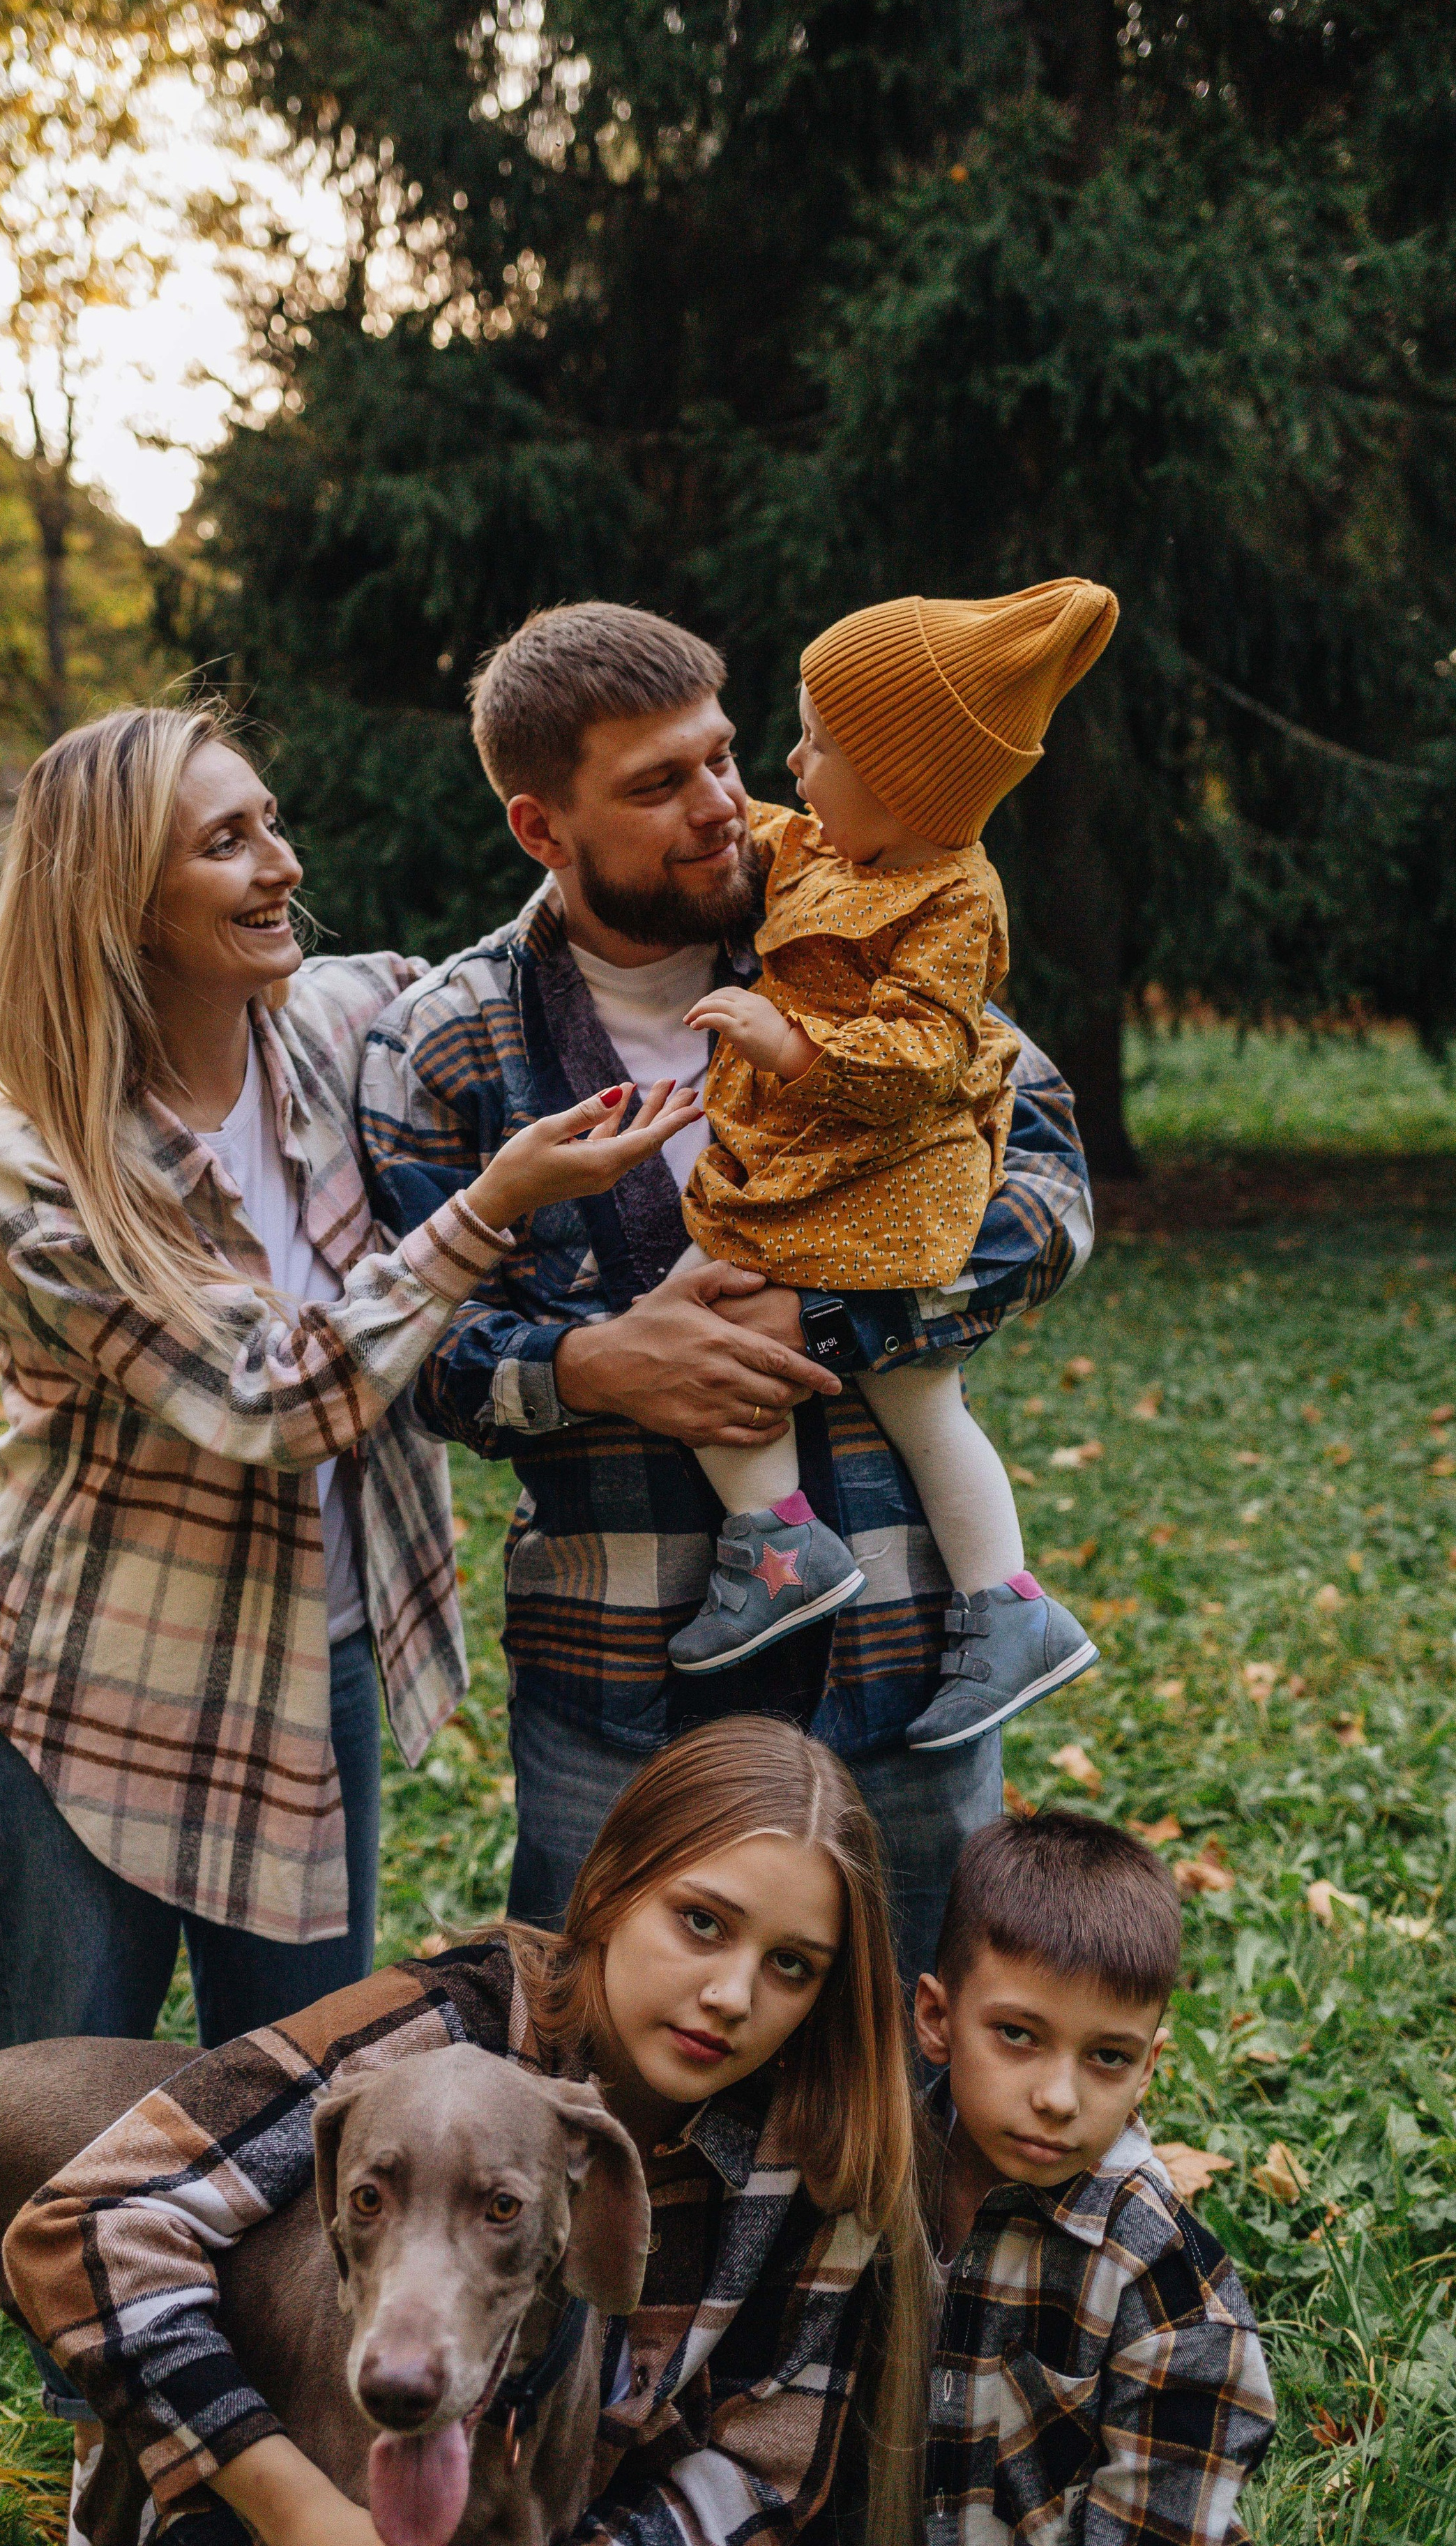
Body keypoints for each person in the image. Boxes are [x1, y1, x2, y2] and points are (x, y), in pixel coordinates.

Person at [0, 702, 698, 2454]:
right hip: (92, 1694)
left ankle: (288, 2452)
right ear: (114, 898)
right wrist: (484, 1208)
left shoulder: (340, 1021)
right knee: (77, 2135)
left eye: (269, 821)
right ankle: (119, 2460)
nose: (278, 863)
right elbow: (270, 1398)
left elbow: (519, 973)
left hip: (311, 1668)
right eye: (223, 841)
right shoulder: (33, 1155)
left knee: (299, 2131)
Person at [358, 603, 1093, 1987]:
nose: (718, 809)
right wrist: (593, 1369)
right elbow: (418, 1345)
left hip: (903, 1658)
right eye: (655, 787)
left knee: (913, 2077)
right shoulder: (450, 1040)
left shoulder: (862, 919)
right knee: (589, 2086)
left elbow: (1045, 1196)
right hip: (627, 1684)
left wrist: (834, 1318)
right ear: (539, 828)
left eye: (722, 758)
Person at [2, 1717, 933, 2546]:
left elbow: (761, 2464)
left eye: (791, 1965)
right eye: (701, 1922)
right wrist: (294, 2508)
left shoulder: (817, 2146)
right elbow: (80, 2227)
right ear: (610, 1889)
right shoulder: (437, 2038)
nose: (732, 1995)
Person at [667, 583, 1116, 1759]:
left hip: (883, 1179)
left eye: (817, 740)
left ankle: (828, 1556)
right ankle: (916, 1576)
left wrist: (792, 1043)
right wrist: (701, 821)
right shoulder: (831, 838)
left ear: (901, 780)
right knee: (876, 1382)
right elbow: (762, 829)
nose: (790, 761)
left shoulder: (954, 898)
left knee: (727, 1325)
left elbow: (927, 1052)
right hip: (820, 1166)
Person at [914, 1812, 1277, 2546]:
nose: (1057, 2098)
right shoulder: (868, 2178)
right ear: (935, 2018)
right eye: (1018, 2034)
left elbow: (1164, 2507)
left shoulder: (1160, 2270)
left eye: (1107, 2057)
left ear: (1148, 2068)